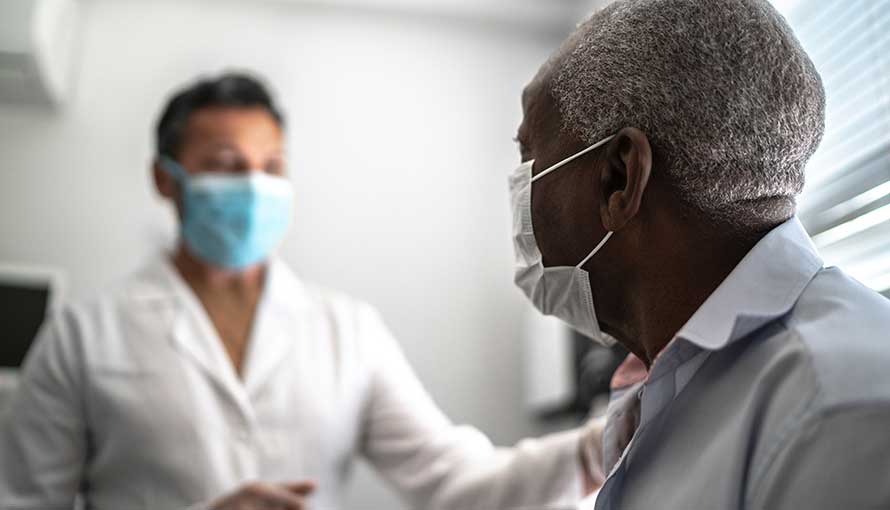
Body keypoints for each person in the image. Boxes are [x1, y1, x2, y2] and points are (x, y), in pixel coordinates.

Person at [0, 73, 601, 510]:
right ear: (166, 179)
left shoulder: (346, 331)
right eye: (227, 165)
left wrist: (598, 446)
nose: (253, 186)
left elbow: (453, 480)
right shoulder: (83, 335)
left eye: (271, 168)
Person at [509, 0, 890, 509]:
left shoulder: (838, 415)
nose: (520, 189)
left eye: (528, 157)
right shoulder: (679, 381)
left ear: (619, 180)